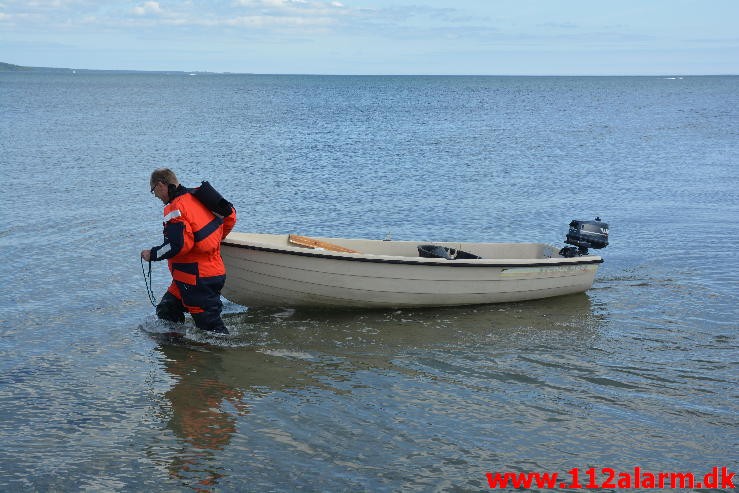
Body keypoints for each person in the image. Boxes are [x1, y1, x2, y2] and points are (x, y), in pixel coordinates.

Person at [141, 168, 236, 334]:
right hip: (193, 276)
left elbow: (179, 246)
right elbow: (230, 216)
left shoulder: (175, 208)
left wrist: (152, 254)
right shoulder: (198, 195)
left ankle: (225, 353)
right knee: (166, 310)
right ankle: (178, 351)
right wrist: (212, 242)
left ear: (161, 185)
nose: (155, 196)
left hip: (197, 280)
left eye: (153, 191)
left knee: (212, 331)